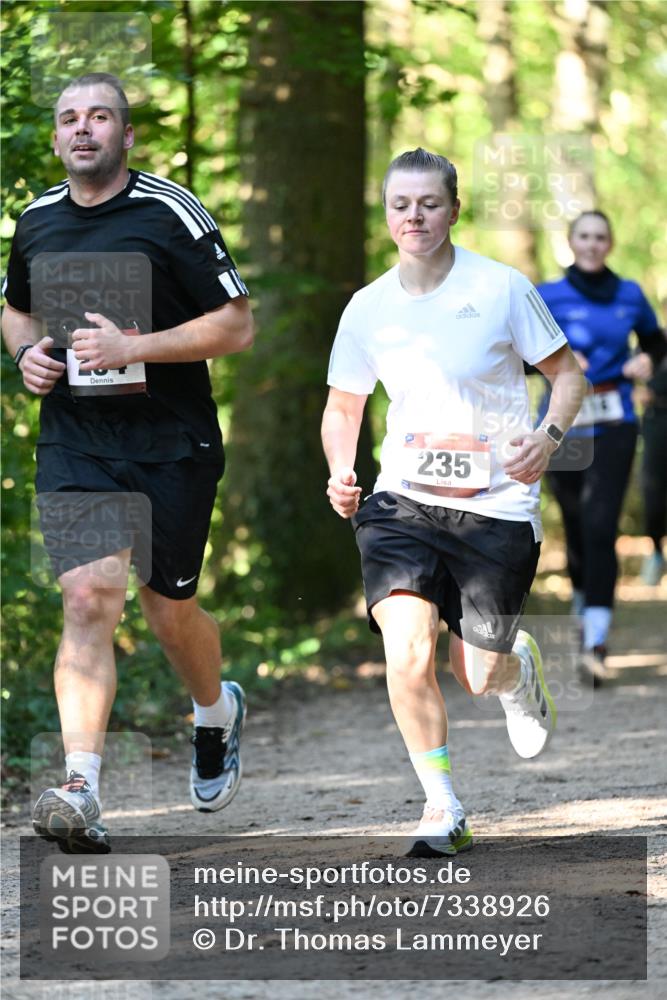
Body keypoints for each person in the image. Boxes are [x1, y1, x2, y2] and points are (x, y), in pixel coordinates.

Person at [2, 73, 254, 852]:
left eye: (100, 116)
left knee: (167, 610)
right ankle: (82, 789)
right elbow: (15, 308)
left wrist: (133, 347)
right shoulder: (37, 220)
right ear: (56, 138)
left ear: (127, 133)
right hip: (77, 440)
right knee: (87, 600)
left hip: (172, 443)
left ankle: (214, 709)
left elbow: (236, 324)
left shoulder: (170, 212)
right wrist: (25, 355)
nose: (83, 128)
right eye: (70, 118)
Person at [321, 148, 585, 857]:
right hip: (402, 501)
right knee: (407, 652)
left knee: (478, 674)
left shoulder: (501, 287)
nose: (414, 216)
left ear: (454, 210)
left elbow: (568, 375)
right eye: (400, 204)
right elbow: (343, 406)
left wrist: (547, 437)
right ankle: (441, 806)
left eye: (429, 203)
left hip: (495, 506)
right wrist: (341, 469)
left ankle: (515, 669)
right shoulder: (368, 307)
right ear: (386, 213)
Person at [537, 211, 666, 682]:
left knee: (599, 523)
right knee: (576, 525)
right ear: (571, 242)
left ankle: (596, 639)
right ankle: (582, 606)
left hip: (614, 421)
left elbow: (655, 342)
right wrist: (558, 361)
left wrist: (647, 360)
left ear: (609, 244)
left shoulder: (629, 294)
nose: (592, 244)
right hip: (561, 425)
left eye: (600, 237)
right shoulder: (547, 296)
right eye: (584, 236)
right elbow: (517, 354)